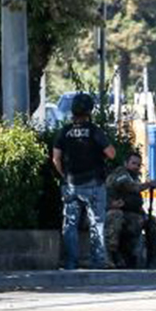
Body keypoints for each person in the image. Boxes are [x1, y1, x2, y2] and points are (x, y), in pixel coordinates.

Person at [52, 92, 114, 269]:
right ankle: (98, 261)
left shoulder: (64, 132)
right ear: (90, 111)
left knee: (70, 224)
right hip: (94, 183)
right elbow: (111, 153)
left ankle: (71, 261)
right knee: (97, 222)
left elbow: (56, 158)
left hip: (70, 183)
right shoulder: (95, 131)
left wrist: (64, 175)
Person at [105, 152, 156, 268]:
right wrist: (149, 184)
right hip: (116, 212)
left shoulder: (133, 176)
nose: (136, 166)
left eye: (138, 165)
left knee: (151, 222)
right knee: (115, 217)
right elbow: (132, 187)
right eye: (133, 163)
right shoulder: (121, 174)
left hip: (132, 213)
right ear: (126, 163)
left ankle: (155, 258)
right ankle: (111, 257)